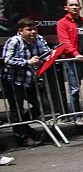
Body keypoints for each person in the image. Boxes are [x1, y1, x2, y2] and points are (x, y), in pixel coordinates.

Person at [2, 18, 52, 146]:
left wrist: (45, 58)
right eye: (29, 30)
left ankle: (24, 126)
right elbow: (7, 60)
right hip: (14, 81)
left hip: (32, 80)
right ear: (20, 31)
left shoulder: (39, 39)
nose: (33, 32)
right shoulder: (14, 41)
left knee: (43, 106)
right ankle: (23, 137)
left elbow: (47, 53)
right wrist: (28, 62)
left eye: (34, 29)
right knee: (17, 109)